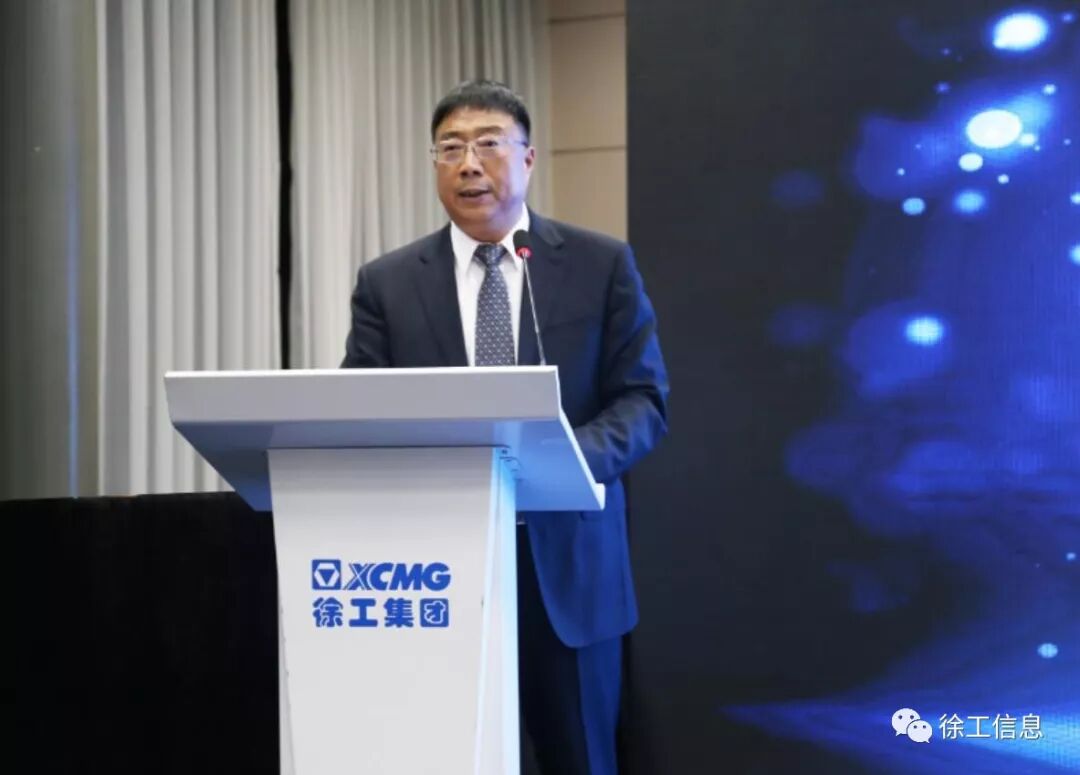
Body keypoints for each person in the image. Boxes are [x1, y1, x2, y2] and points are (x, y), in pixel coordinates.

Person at [342, 79, 668, 775]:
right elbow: (361, 409)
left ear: (527, 158)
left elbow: (642, 399)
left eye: (488, 144)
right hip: (437, 573)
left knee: (579, 757)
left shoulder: (599, 264)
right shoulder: (387, 283)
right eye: (450, 148)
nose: (469, 164)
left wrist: (560, 461)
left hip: (569, 571)